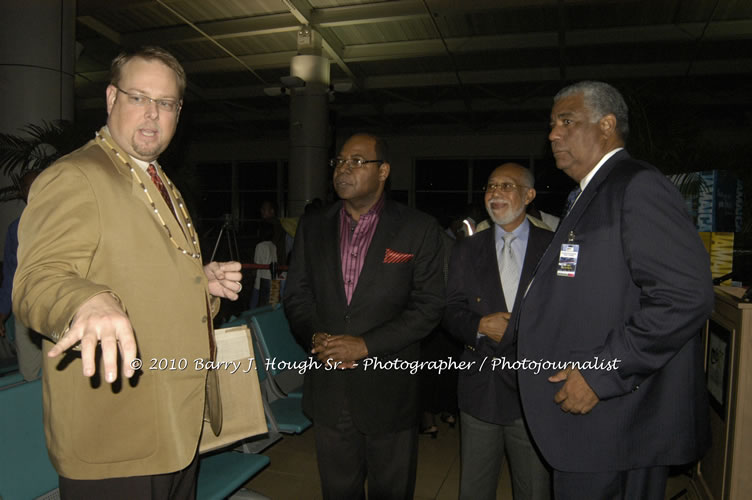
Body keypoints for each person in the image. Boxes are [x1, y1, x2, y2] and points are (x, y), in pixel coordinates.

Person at [13, 46, 242, 498]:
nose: (153, 114)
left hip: (174, 428)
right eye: (139, 97)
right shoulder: (77, 175)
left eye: (167, 103)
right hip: (117, 439)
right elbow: (36, 279)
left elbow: (146, 275)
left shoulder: (157, 179)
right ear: (111, 99)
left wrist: (202, 284)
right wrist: (83, 300)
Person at [515, 81, 713, 499]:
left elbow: (683, 297)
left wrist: (601, 374)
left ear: (606, 126)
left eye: (566, 122)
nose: (553, 134)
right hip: (596, 427)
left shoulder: (636, 185)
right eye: (552, 125)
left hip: (615, 417)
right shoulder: (589, 194)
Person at [284, 132, 445, 499]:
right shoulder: (313, 227)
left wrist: (365, 345)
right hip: (329, 390)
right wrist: (313, 336)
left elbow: (429, 306)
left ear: (383, 171)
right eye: (340, 161)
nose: (344, 169)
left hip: (389, 391)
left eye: (357, 161)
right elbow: (297, 295)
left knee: (392, 490)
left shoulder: (417, 228)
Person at [443, 163, 552, 500]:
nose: (495, 193)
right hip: (481, 388)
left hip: (533, 390)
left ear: (529, 195)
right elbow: (449, 310)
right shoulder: (466, 248)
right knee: (474, 488)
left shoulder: (554, 247)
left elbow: (567, 313)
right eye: (491, 186)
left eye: (507, 185)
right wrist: (477, 326)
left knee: (534, 488)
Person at [0, 169, 43, 380]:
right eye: (28, 186)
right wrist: (1, 313)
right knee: (29, 372)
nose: (34, 190)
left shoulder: (65, 222)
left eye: (39, 183)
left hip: (60, 304)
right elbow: (10, 275)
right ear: (21, 192)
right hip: (25, 310)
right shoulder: (14, 230)